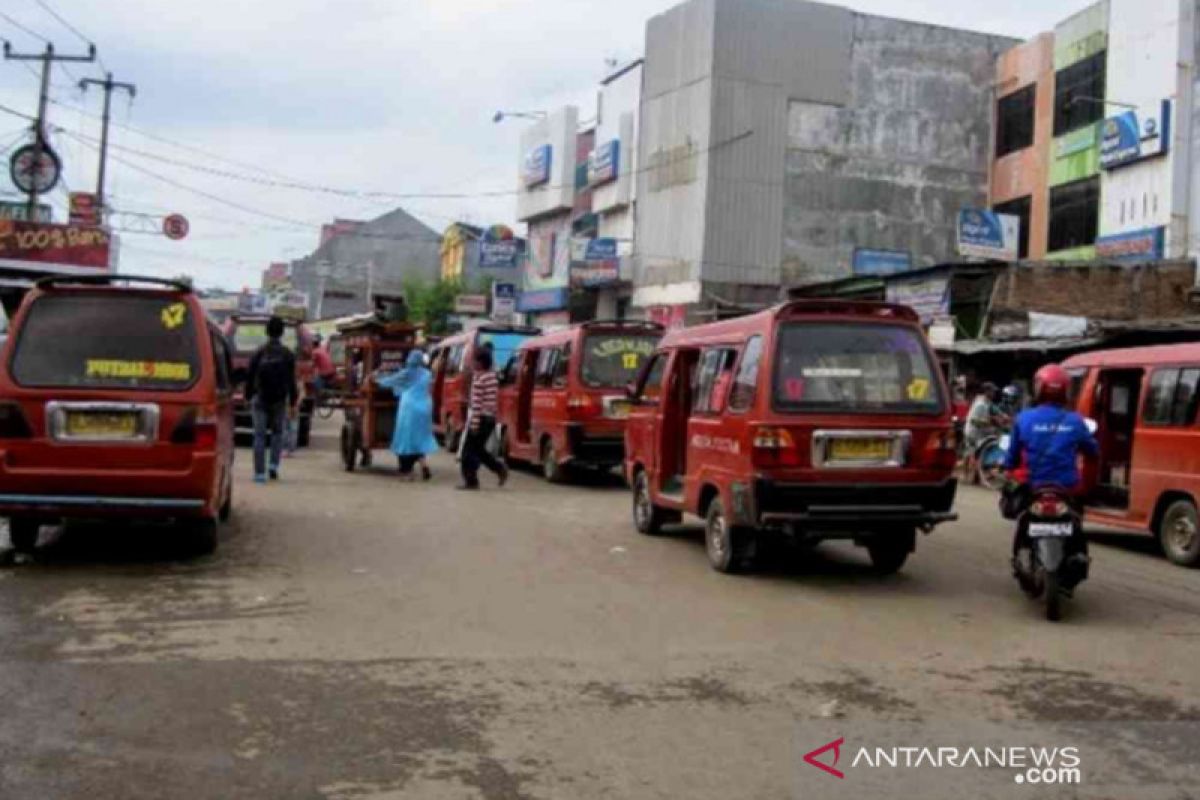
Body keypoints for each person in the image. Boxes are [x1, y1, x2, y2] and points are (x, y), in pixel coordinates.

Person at [1003, 364, 1098, 569]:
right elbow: (1093, 451)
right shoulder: (1075, 421)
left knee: (1020, 514)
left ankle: (1019, 556)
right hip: (1066, 487)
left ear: (1038, 388)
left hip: (1034, 486)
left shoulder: (1024, 418)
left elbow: (1011, 459)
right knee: (1076, 519)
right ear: (1065, 390)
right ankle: (1077, 555)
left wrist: (1007, 468)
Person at [246, 316, 298, 483]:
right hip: (279, 400)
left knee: (259, 436)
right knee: (277, 433)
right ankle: (273, 466)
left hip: (260, 398)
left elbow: (250, 377)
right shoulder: (288, 354)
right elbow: (291, 380)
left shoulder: (259, 352)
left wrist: (248, 396)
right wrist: (293, 402)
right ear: (282, 332)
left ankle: (259, 474)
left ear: (267, 331)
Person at [375, 350, 439, 481]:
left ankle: (407, 473)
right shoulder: (427, 373)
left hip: (410, 409)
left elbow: (390, 381)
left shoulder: (408, 372)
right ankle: (424, 465)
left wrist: (376, 379)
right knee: (419, 439)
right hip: (425, 408)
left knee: (406, 440)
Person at [458, 347, 508, 490]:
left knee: (467, 452)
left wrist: (474, 424)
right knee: (478, 450)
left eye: (475, 360)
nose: (473, 363)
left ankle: (471, 480)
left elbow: (477, 404)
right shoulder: (492, 377)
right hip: (490, 419)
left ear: (481, 362)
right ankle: (498, 469)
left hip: (480, 419)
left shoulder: (480, 379)